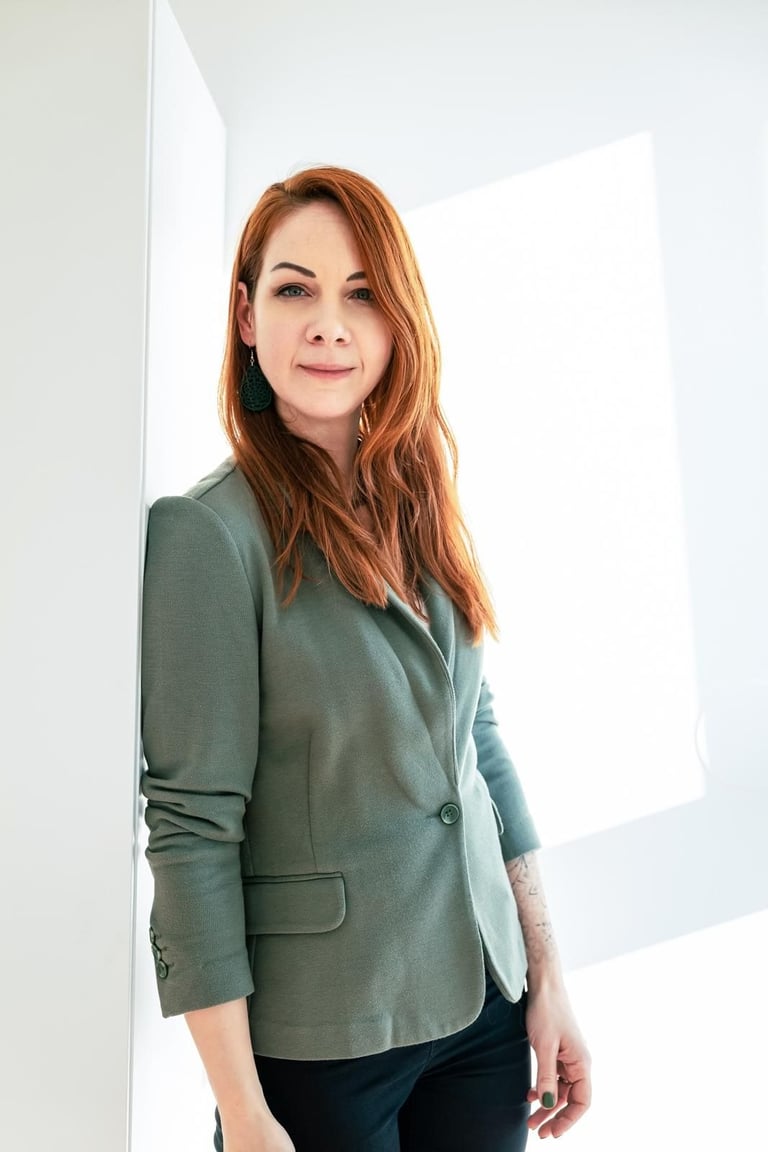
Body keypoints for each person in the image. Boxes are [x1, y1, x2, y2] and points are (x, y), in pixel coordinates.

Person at [140, 165, 591, 1152]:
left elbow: (477, 743)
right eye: (296, 289)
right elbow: (190, 833)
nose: (329, 325)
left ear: (398, 322)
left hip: (480, 1013)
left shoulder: (420, 496)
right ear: (248, 318)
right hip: (321, 1051)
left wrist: (546, 972)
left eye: (362, 294)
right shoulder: (208, 537)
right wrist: (244, 1112)